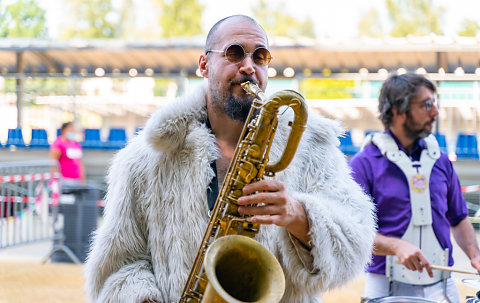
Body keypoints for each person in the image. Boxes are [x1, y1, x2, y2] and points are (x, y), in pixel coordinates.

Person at [84, 15, 376, 303]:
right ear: (204, 65)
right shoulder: (144, 160)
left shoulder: (311, 144)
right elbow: (117, 268)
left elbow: (356, 241)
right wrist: (142, 299)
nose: (249, 67)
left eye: (260, 57)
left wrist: (299, 214)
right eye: (234, 53)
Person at [349, 73, 480, 302]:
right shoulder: (363, 164)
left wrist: (475, 256)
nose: (435, 112)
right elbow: (353, 232)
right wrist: (395, 246)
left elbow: (458, 219)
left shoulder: (440, 160)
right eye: (426, 105)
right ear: (399, 110)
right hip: (385, 286)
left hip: (443, 286)